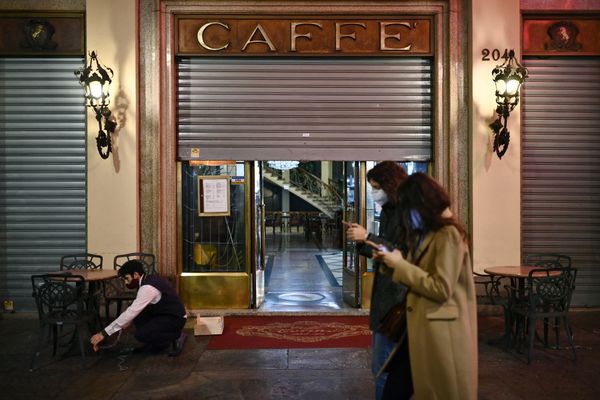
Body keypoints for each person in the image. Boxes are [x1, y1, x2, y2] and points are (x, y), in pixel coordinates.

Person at [369, 172, 478, 400]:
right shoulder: (431, 233)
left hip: (439, 332)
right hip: (420, 327)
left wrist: (400, 265)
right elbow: (420, 272)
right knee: (395, 388)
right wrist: (392, 263)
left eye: (408, 206)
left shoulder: (448, 235)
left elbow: (440, 288)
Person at [344, 161, 409, 400]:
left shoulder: (404, 213)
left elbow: (400, 253)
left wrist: (368, 236)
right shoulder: (390, 211)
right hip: (388, 296)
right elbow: (387, 249)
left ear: (389, 185)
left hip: (396, 298)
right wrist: (363, 242)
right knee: (386, 366)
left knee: (383, 367)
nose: (373, 192)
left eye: (376, 187)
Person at [90, 259, 188, 356]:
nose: (126, 283)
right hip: (165, 313)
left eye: (126, 278)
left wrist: (103, 333)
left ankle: (176, 336)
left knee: (141, 334)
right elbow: (134, 310)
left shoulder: (147, 288)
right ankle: (155, 343)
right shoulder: (148, 279)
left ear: (136, 274)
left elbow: (131, 312)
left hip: (175, 318)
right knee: (136, 316)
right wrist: (128, 320)